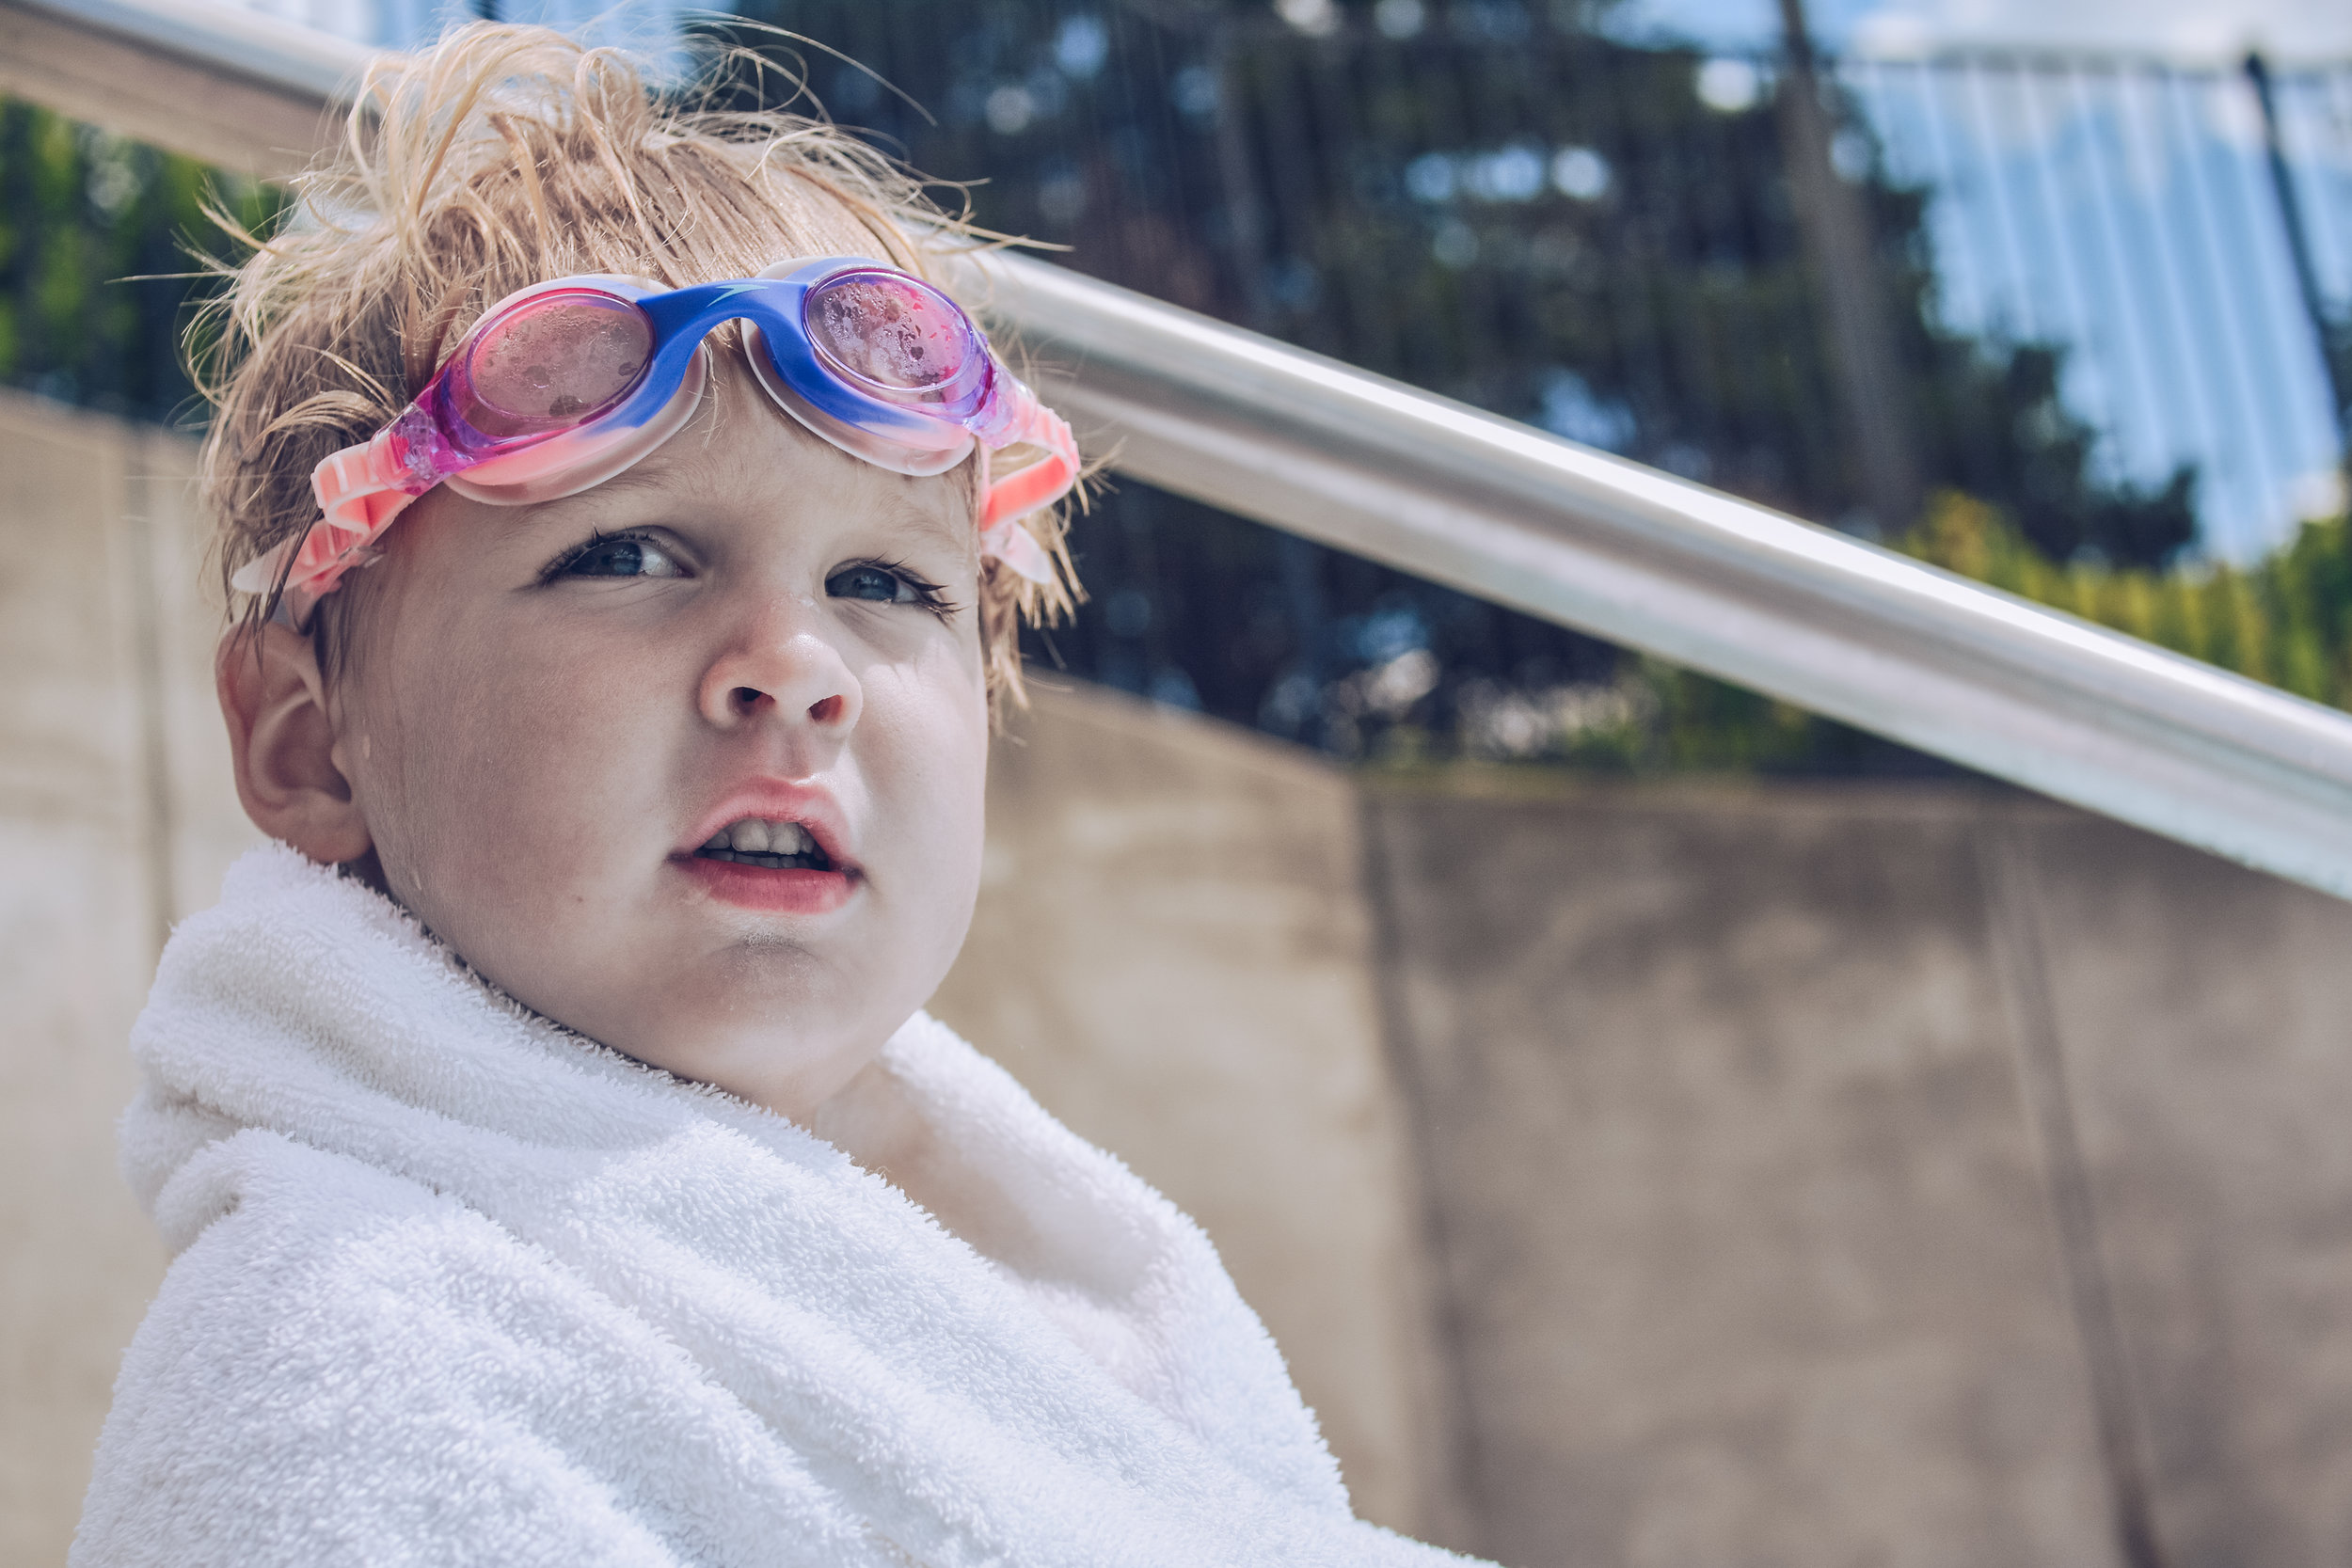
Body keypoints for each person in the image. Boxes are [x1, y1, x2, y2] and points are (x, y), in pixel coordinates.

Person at [70, 23, 1484, 1568]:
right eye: (624, 554)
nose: (796, 667)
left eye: (882, 579)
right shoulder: (342, 1381)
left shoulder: (1062, 1332)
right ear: (308, 743)